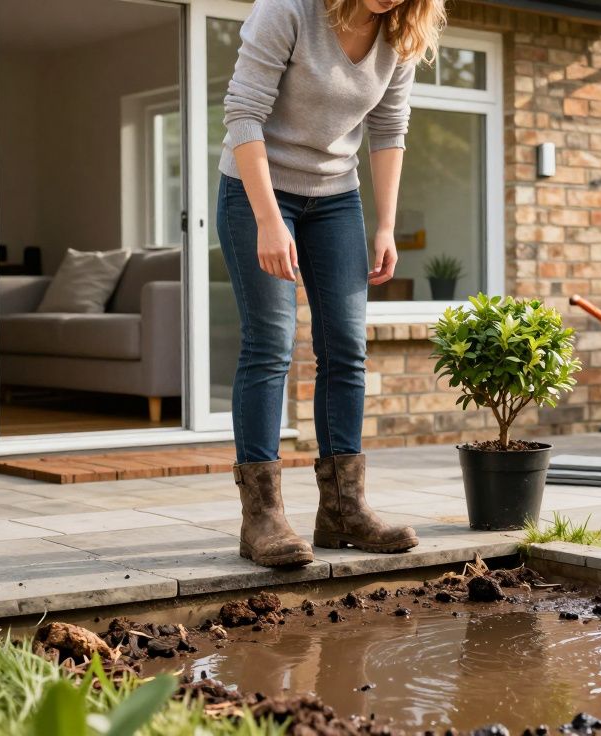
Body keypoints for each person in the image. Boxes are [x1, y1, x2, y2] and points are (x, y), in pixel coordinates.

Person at [217, 0, 446, 567]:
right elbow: (242, 114)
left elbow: (390, 127)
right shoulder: (288, 11)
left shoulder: (399, 31)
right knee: (270, 344)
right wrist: (270, 222)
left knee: (345, 346)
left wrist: (388, 224)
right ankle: (261, 518)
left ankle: (344, 510)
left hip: (335, 199)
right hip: (257, 192)